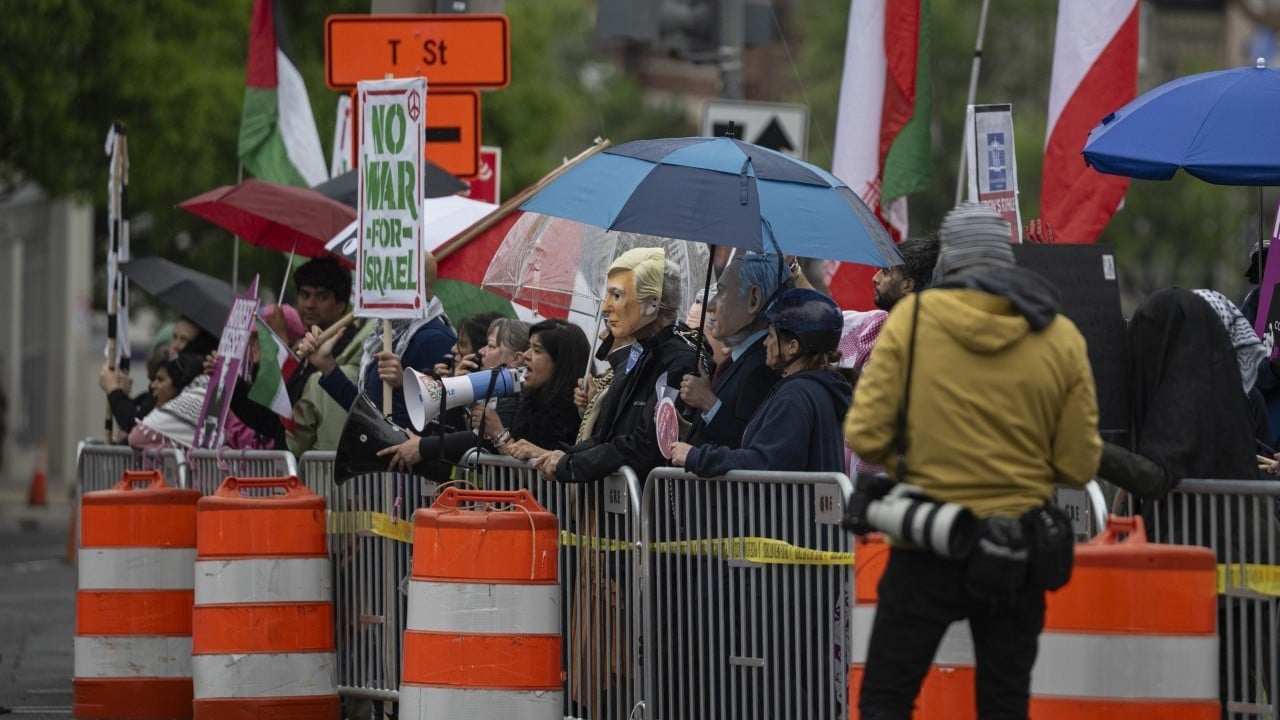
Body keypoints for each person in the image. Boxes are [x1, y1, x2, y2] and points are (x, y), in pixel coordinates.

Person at [845, 202, 1101, 720]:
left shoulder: (912, 322)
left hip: (927, 542)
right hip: (1018, 549)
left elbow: (866, 436)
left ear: (947, 265)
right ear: (1007, 261)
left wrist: (913, 461)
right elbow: (1077, 465)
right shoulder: (1060, 336)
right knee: (1004, 704)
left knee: (886, 698)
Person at [533, 246, 704, 484]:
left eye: (617, 295)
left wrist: (571, 465)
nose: (606, 307)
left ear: (653, 303)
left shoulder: (680, 360)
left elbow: (645, 444)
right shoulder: (642, 354)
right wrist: (565, 457)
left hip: (656, 512)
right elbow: (609, 436)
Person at [670, 287, 852, 474]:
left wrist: (697, 457)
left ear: (792, 347)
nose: (765, 343)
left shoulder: (796, 396)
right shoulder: (816, 389)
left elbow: (764, 462)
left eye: (771, 336)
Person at [379, 319, 588, 470]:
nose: (526, 355)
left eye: (537, 350)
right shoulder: (529, 400)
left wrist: (498, 433)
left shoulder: (572, 411)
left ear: (560, 362)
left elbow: (530, 465)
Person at [301, 252, 455, 431]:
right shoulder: (388, 335)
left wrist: (406, 383)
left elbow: (444, 419)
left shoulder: (435, 339)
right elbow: (369, 416)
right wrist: (326, 365)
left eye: (386, 276)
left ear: (407, 281)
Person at [678, 253, 789, 449]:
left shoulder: (763, 366)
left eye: (721, 292)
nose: (711, 307)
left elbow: (750, 447)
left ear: (753, 300)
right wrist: (688, 430)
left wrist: (707, 401)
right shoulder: (742, 360)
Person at [287, 257, 374, 455]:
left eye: (322, 297)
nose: (310, 304)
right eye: (304, 294)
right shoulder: (296, 350)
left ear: (341, 304)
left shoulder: (354, 353)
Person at [129, 353, 211, 450]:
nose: (153, 386)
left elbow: (135, 438)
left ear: (178, 384)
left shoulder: (190, 404)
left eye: (160, 379)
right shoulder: (207, 401)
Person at [871, 236, 940, 312]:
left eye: (886, 272)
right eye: (881, 268)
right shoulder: (872, 320)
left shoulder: (922, 323)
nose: (875, 278)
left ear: (907, 286)